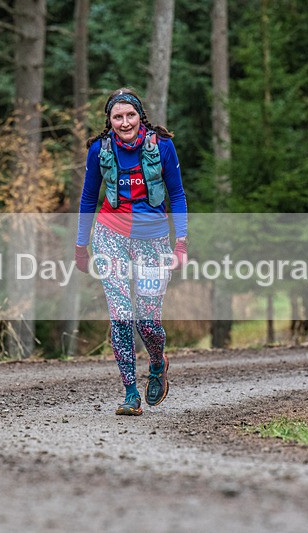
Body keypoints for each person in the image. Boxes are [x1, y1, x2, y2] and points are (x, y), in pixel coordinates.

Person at [75, 88, 188, 416]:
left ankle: (157, 363)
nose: (124, 122)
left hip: (153, 241)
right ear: (109, 121)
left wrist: (180, 242)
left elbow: (177, 194)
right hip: (110, 236)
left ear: (141, 117)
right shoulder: (99, 150)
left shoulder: (162, 146)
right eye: (117, 117)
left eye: (130, 115)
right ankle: (129, 392)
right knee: (122, 316)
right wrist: (81, 246)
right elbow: (87, 199)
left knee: (148, 320)